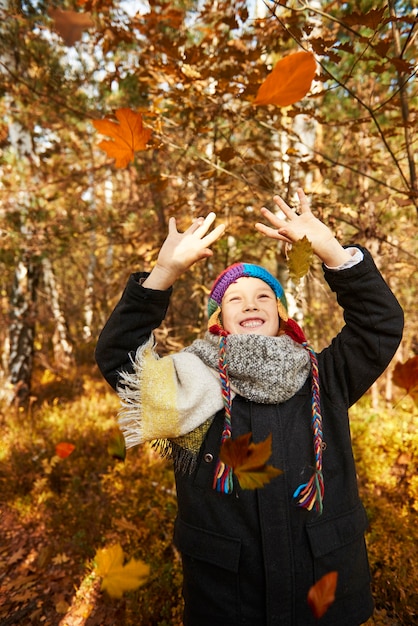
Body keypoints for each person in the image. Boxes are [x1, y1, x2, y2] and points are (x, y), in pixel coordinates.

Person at [95, 189, 403, 626]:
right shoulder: (188, 386)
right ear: (218, 320)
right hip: (229, 599)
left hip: (326, 592)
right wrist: (163, 272)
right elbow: (118, 356)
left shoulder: (324, 375)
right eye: (235, 298)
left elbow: (379, 324)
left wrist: (332, 250)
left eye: (264, 296)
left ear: (281, 315)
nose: (251, 303)